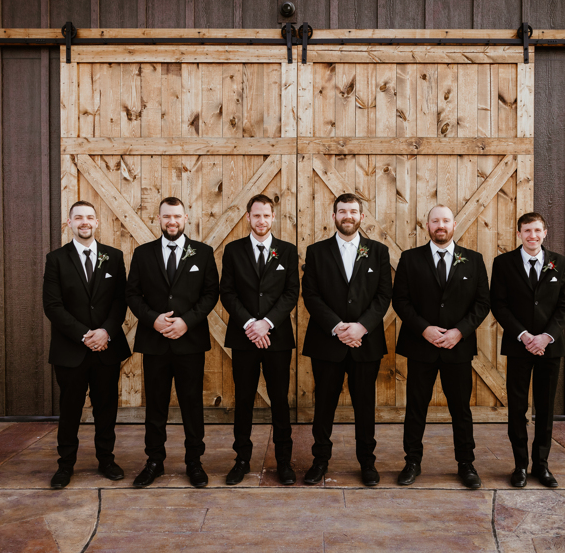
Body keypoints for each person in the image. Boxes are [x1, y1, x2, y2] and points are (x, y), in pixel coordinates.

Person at [392, 204, 490, 487]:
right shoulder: (410, 259)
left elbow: (482, 303)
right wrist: (423, 329)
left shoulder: (473, 259)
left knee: (461, 409)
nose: (440, 225)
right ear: (427, 225)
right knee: (416, 407)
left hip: (457, 347)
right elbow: (401, 301)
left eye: (445, 220)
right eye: (435, 220)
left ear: (454, 224)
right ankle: (412, 462)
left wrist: (460, 331)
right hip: (421, 347)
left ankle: (466, 464)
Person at [126, 197, 220, 488]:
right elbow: (132, 295)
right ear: (159, 218)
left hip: (189, 342)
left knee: (192, 404)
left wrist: (186, 321)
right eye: (167, 217)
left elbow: (211, 293)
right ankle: (154, 461)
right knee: (155, 405)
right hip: (154, 342)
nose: (172, 222)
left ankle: (194, 461)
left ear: (185, 217)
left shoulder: (203, 253)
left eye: (177, 216)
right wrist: (153, 319)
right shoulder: (143, 254)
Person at [300, 193, 392, 487]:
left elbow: (383, 296)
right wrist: (339, 327)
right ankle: (319, 461)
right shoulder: (316, 252)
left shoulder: (378, 252)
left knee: (365, 406)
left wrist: (361, 327)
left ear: (361, 217)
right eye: (342, 211)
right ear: (334, 216)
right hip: (327, 342)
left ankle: (367, 462)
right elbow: (311, 296)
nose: (348, 216)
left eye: (353, 211)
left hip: (365, 343)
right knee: (323, 405)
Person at [42, 200, 131, 489]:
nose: (84, 222)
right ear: (69, 223)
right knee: (70, 409)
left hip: (107, 348)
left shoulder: (114, 257)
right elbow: (53, 306)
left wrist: (105, 332)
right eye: (78, 217)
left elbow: (120, 300)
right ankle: (65, 465)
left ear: (97, 223)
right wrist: (85, 335)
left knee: (107, 408)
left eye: (90, 217)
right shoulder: (55, 259)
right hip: (71, 351)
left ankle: (106, 459)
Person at [219, 194, 300, 485]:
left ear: (273, 217)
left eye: (266, 215)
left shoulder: (287, 251)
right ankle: (241, 460)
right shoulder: (233, 250)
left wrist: (266, 323)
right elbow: (227, 292)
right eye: (256, 216)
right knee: (243, 400)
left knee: (280, 400)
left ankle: (284, 462)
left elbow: (291, 292)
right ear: (248, 217)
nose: (261, 221)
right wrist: (251, 324)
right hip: (244, 338)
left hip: (277, 339)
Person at [491, 212, 565, 488]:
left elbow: (564, 305)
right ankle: (520, 466)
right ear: (519, 234)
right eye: (527, 231)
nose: (532, 236)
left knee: (545, 407)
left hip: (550, 347)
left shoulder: (559, 263)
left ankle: (542, 465)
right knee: (517, 407)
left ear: (545, 232)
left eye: (537, 230)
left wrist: (546, 337)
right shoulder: (503, 264)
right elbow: (499, 304)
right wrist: (525, 336)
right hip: (518, 346)